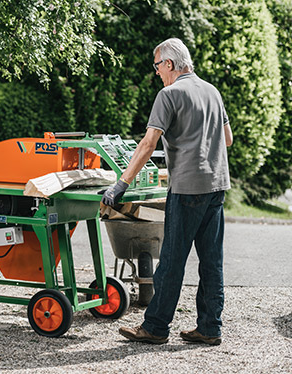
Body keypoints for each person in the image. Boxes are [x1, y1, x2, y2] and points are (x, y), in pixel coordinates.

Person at [102, 38, 233, 345]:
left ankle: (156, 327)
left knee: (172, 259)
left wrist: (121, 184)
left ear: (171, 64)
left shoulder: (169, 94)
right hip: (216, 186)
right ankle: (210, 328)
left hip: (188, 189)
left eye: (158, 65)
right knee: (211, 261)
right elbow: (226, 139)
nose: (157, 72)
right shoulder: (211, 91)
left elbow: (147, 144)